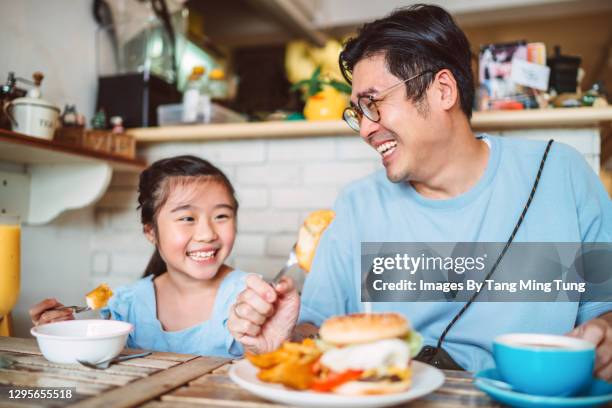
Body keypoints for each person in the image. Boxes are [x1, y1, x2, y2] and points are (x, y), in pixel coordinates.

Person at [228, 4, 612, 378]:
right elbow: (318, 330)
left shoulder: (562, 173)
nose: (364, 129)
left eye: (373, 103)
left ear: (442, 90)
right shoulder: (358, 204)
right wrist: (284, 340)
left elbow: (604, 309)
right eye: (357, 113)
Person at [30, 155, 252, 358]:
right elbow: (94, 366)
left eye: (221, 216)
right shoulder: (127, 306)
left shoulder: (251, 299)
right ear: (151, 232)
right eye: (187, 218)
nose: (207, 234)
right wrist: (65, 332)